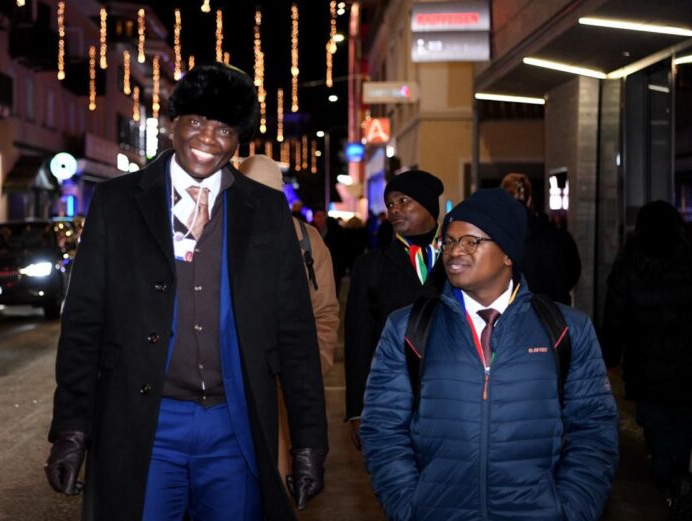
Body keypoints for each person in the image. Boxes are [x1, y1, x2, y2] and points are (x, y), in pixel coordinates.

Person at [45, 62, 328, 521]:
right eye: (197, 122)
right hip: (145, 422)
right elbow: (83, 323)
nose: (208, 139)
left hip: (234, 426)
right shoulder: (117, 204)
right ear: (173, 124)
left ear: (239, 139)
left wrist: (310, 441)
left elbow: (296, 332)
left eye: (224, 128)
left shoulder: (267, 211)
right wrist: (71, 430)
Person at [361, 188, 619, 520]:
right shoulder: (409, 328)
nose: (455, 252)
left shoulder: (566, 329)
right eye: (450, 242)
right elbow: (382, 427)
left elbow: (593, 429)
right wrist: (409, 506)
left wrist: (570, 510)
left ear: (508, 253)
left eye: (472, 241)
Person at [240, 153, 340, 482]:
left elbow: (325, 310)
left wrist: (315, 361)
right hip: (232, 384)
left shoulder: (305, 240)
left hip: (286, 382)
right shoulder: (224, 234)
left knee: (275, 480)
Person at [602, 200, 692, 519]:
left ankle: (667, 483)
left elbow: (615, 318)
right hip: (686, 371)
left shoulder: (629, 263)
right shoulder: (687, 259)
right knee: (682, 429)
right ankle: (680, 481)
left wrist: (609, 356)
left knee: (657, 431)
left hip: (647, 370)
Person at [344, 169, 444, 450]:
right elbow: (358, 340)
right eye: (390, 204)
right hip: (391, 399)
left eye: (404, 201)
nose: (395, 209)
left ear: (428, 204)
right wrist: (357, 409)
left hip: (452, 397)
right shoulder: (371, 266)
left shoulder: (457, 258)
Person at [500, 173, 581, 305]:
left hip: (508, 315)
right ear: (530, 199)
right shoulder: (555, 235)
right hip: (551, 315)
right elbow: (572, 272)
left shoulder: (493, 235)